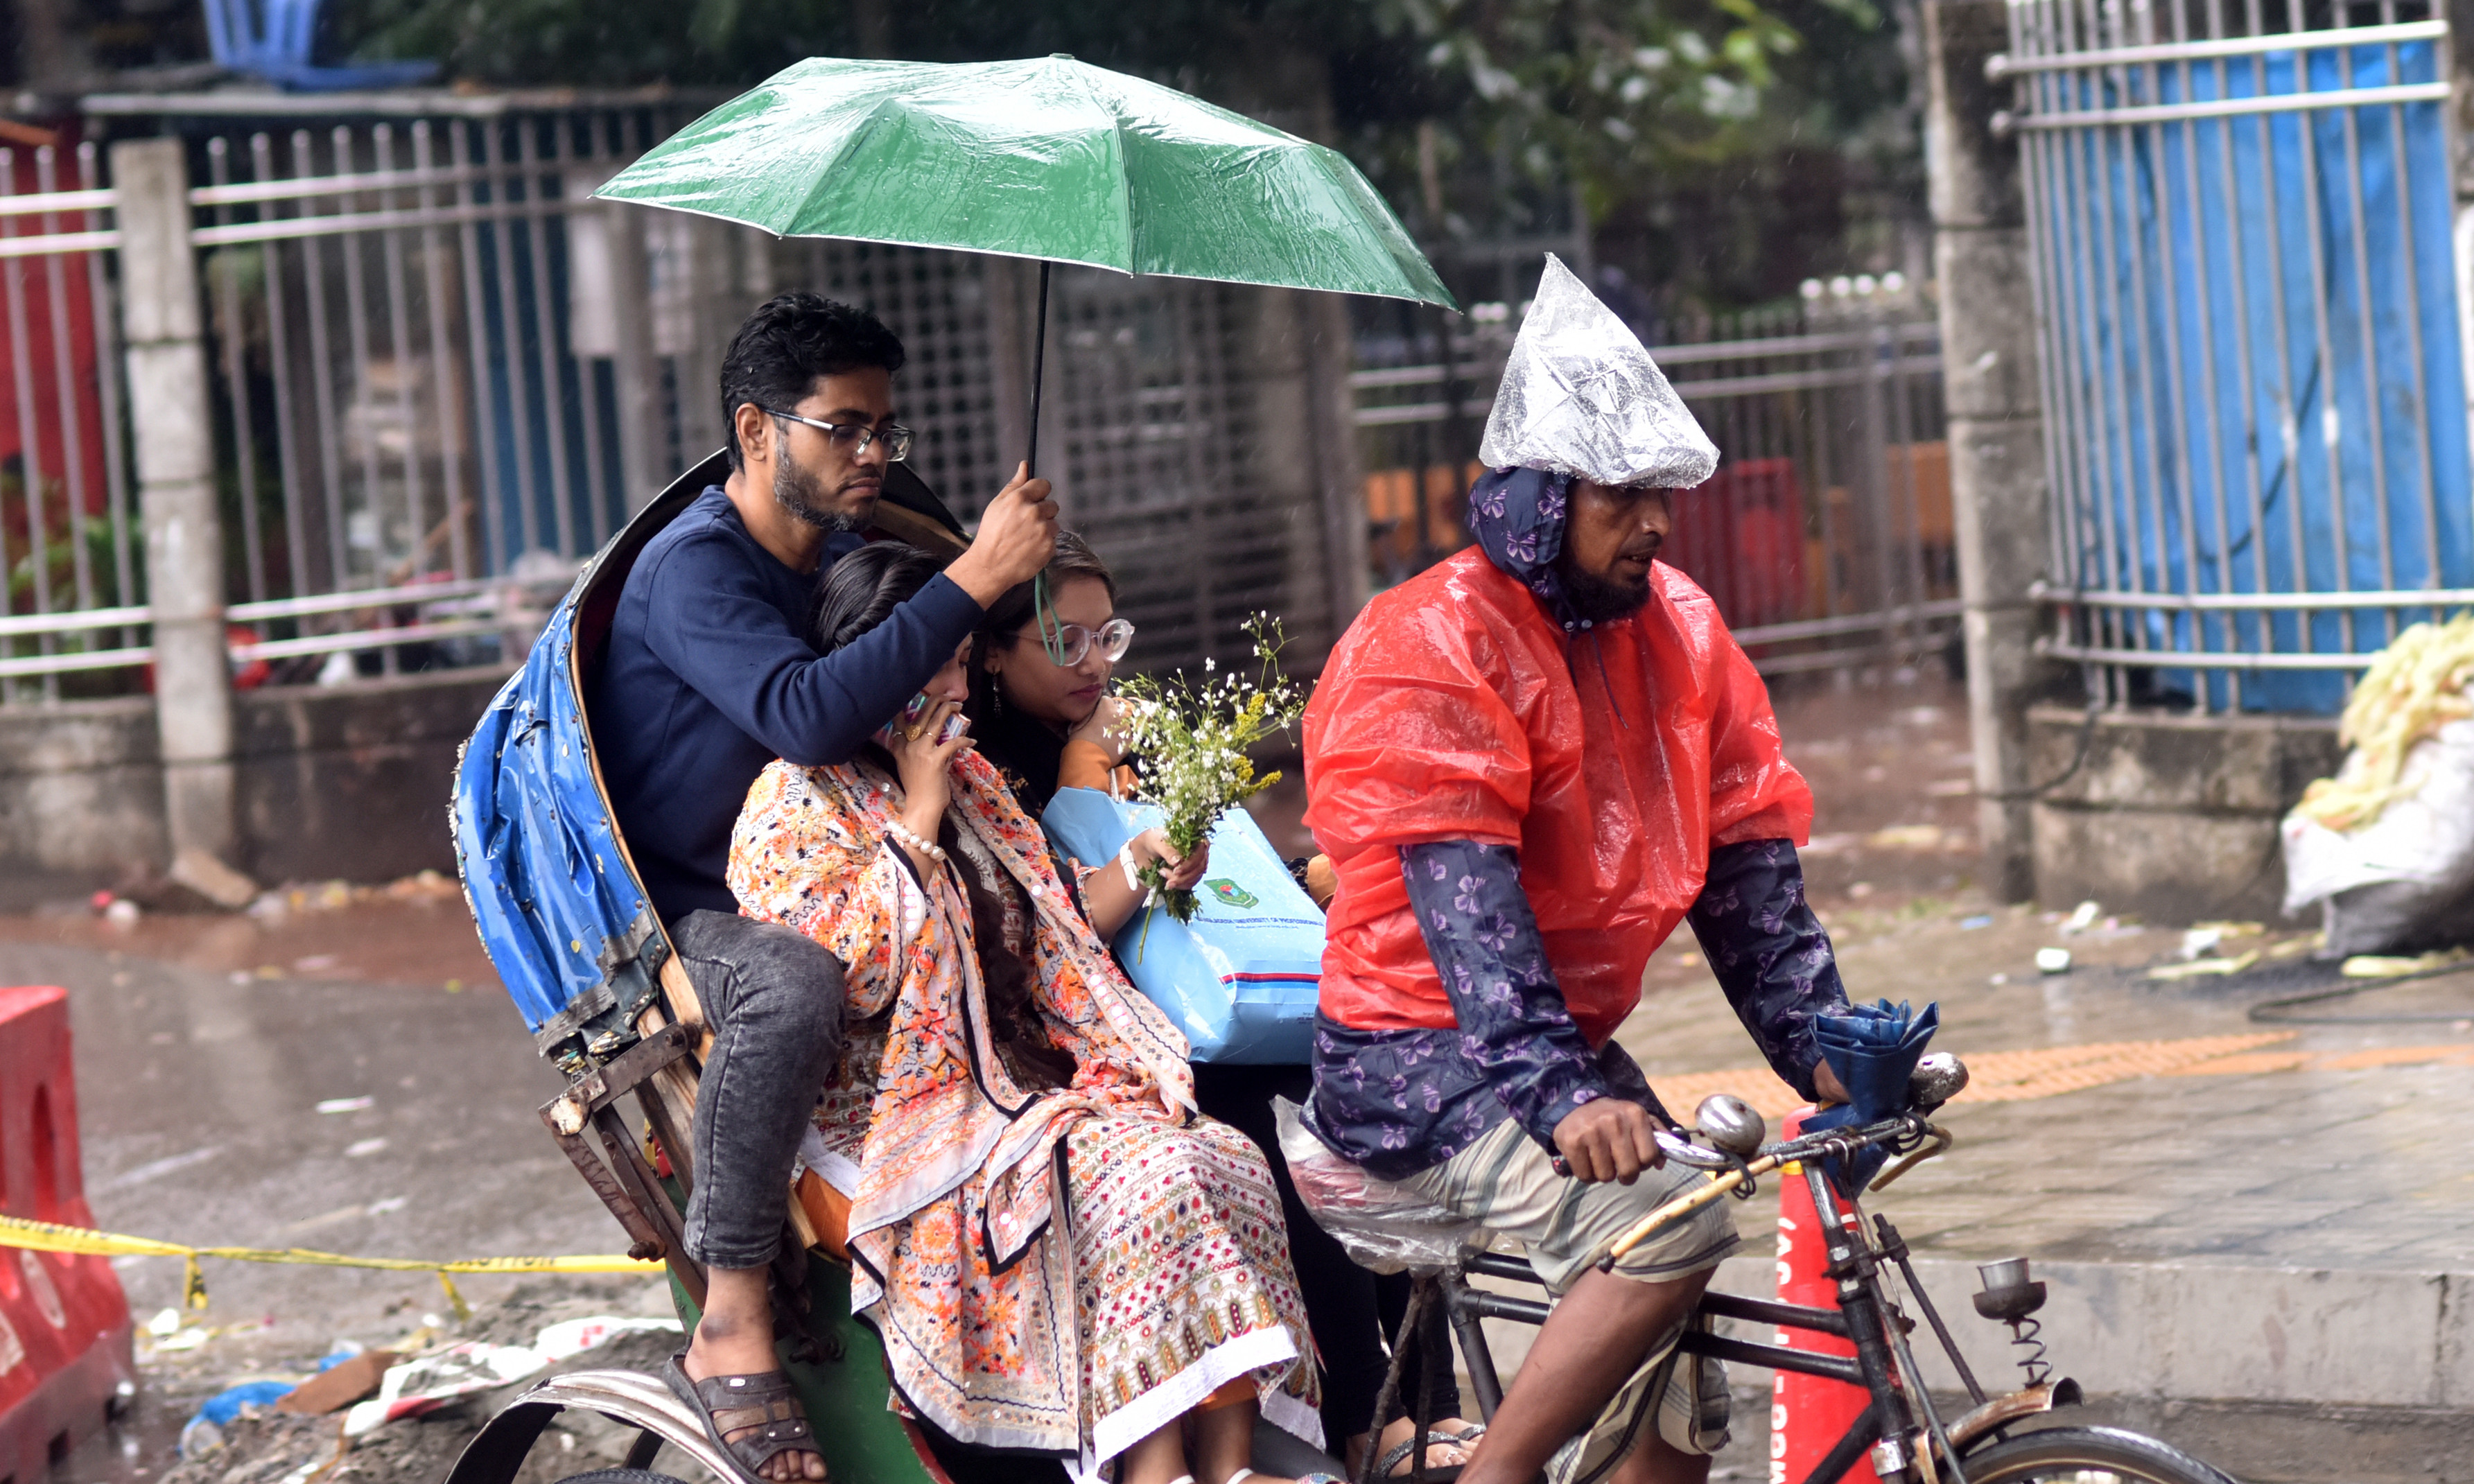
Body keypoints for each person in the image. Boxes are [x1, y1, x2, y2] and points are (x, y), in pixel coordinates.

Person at [1300, 256, 1857, 1484]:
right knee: (1669, 1232)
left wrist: (1838, 1053)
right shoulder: (1432, 640)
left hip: (1558, 1060)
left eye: (1661, 492)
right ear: (1542, 496)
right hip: (1415, 1060)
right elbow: (1473, 933)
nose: (1655, 520)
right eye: (1621, 494)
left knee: (1676, 1408)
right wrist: (1562, 1099)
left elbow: (1753, 897)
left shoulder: (1685, 634)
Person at [726, 543, 1330, 1484]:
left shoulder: (980, 787)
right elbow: (861, 981)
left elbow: (1054, 928)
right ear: (859, 664)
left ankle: (1229, 1464)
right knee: (1145, 1171)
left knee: (1217, 1149)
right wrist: (915, 822)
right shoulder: (788, 802)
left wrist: (1142, 872)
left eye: (957, 661)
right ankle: (1154, 1470)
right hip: (889, 1123)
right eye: (926, 665)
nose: (951, 685)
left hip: (1019, 1086)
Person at [590, 291, 1059, 1483]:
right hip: (705, 908)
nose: (872, 455)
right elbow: (800, 714)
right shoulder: (689, 572)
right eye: (843, 428)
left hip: (860, 853)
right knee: (796, 984)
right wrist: (970, 573)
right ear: (757, 432)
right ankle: (735, 1310)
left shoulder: (848, 557)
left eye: (883, 430)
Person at [966, 539, 1480, 1478]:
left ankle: (1433, 1400)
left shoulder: (1129, 730)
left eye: (1105, 635)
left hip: (1214, 999)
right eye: (1063, 638)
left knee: (1368, 1084)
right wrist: (1128, 840)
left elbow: (1218, 871)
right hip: (1095, 1041)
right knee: (1277, 1120)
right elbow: (1035, 940)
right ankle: (1366, 1414)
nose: (1093, 661)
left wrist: (1300, 881)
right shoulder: (986, 771)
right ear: (993, 652)